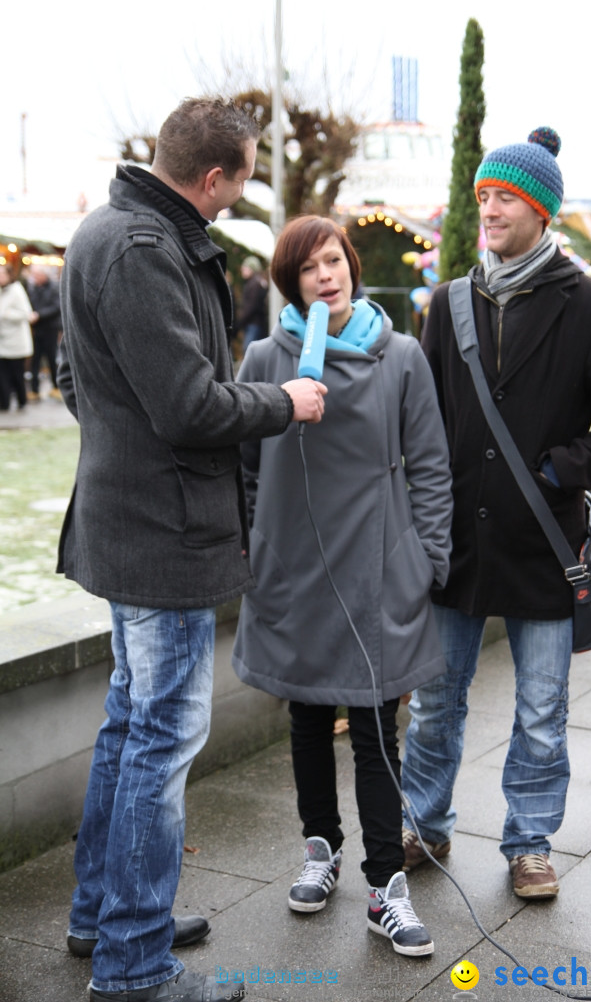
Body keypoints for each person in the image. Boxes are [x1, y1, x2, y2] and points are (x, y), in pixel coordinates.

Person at [56, 96, 326, 1002]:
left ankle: (107, 912)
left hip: (129, 526)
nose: (237, 196)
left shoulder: (106, 231)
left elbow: (73, 382)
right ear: (212, 176)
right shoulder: (143, 248)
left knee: (131, 725)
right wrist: (284, 402)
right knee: (160, 740)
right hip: (160, 538)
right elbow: (190, 407)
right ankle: (134, 963)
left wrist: (124, 454)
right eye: (241, 178)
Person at [400, 128, 591, 899]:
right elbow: (425, 420)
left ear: (541, 210)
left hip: (545, 542)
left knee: (542, 708)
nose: (489, 209)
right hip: (454, 544)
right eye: (481, 197)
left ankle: (529, 841)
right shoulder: (446, 304)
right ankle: (421, 820)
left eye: (504, 196)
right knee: (435, 699)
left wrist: (553, 472)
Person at [231, 215, 452, 956]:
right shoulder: (266, 357)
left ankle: (385, 883)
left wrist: (426, 560)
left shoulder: (401, 358)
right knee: (305, 715)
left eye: (334, 261)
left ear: (351, 266)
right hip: (294, 569)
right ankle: (318, 848)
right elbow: (242, 467)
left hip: (377, 571)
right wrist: (257, 549)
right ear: (289, 284)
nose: (325, 276)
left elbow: (428, 464)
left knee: (374, 728)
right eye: (307, 269)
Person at [0, 265, 33, 411]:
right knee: (2, 375)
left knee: (17, 374)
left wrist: (6, 315)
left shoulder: (16, 291)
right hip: (2, 341)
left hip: (16, 341)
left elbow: (26, 314)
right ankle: (4, 403)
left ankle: (22, 401)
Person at [26, 264, 62, 400]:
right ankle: (34, 390)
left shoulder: (53, 287)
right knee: (35, 359)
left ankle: (56, 387)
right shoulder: (33, 288)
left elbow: (56, 307)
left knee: (51, 358)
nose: (35, 278)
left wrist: (39, 315)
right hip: (36, 329)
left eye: (37, 275)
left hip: (50, 328)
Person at [235, 255, 269, 351]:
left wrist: (240, 322)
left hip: (253, 324)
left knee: (249, 351)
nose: (242, 270)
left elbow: (251, 306)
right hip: (255, 324)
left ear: (252, 269)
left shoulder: (255, 284)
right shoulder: (257, 282)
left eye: (245, 268)